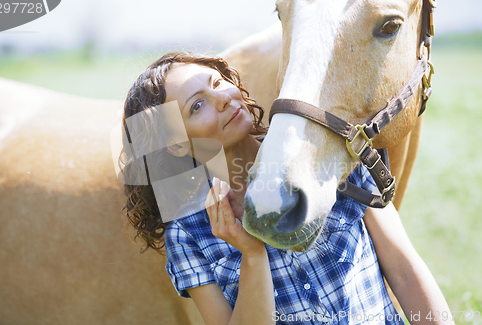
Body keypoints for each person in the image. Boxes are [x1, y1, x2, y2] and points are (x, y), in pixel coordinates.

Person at [121, 51, 453, 325]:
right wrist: (252, 255)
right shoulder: (187, 234)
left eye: (219, 83)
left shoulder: (329, 154)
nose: (222, 99)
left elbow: (405, 270)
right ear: (177, 145)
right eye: (197, 105)